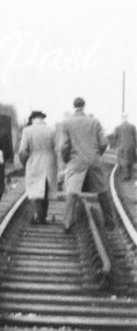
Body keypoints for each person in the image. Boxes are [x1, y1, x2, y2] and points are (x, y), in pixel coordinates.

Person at [57, 96, 115, 231]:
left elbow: (64, 146)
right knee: (102, 191)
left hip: (76, 161)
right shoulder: (95, 122)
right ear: (84, 106)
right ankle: (110, 222)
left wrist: (67, 160)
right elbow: (105, 143)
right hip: (93, 160)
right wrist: (96, 155)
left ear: (74, 106)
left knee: (71, 192)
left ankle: (67, 223)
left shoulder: (66, 123)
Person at [18, 110, 58, 224]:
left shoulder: (27, 131)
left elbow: (22, 151)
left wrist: (24, 162)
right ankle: (43, 216)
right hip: (49, 162)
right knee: (46, 190)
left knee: (34, 190)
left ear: (32, 119)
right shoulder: (52, 130)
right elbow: (57, 147)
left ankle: (36, 214)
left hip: (34, 161)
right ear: (42, 118)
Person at [114, 114, 137, 181]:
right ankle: (131, 175)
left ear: (122, 119)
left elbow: (115, 136)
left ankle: (126, 176)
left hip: (122, 147)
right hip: (131, 146)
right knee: (131, 160)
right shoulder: (132, 126)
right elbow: (135, 137)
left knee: (124, 161)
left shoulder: (118, 127)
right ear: (127, 118)